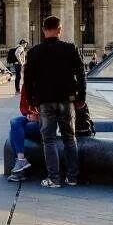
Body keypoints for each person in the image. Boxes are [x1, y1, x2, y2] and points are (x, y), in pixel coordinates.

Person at [22, 15, 84, 188]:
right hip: (67, 100)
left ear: (43, 30)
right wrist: (81, 98)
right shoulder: (70, 48)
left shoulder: (34, 52)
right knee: (69, 138)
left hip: (45, 102)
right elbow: (81, 74)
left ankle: (54, 178)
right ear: (59, 29)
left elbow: (28, 80)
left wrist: (32, 101)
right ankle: (72, 177)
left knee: (48, 140)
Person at [7, 87, 42, 182]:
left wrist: (38, 116)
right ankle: (21, 160)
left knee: (13, 132)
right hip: (29, 118)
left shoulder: (43, 82)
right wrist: (28, 115)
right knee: (14, 122)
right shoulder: (26, 86)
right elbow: (23, 106)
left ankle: (20, 171)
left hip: (42, 121)